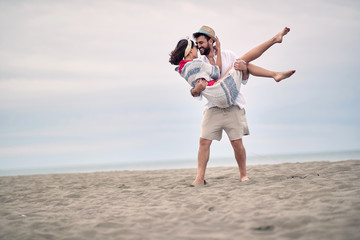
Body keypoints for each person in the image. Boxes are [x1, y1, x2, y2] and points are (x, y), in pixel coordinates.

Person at [169, 26, 295, 185]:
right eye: (197, 44)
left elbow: (243, 78)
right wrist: (196, 89)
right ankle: (199, 178)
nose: (199, 46)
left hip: (232, 103)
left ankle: (243, 175)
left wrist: (244, 69)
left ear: (211, 41)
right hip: (213, 106)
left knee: (237, 143)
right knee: (203, 142)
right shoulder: (198, 62)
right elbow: (196, 91)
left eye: (201, 42)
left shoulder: (228, 55)